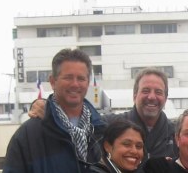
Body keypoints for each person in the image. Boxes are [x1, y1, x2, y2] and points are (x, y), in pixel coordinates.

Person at [28, 67, 176, 160]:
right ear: (134, 95)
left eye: (158, 92)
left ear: (165, 97)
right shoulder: (110, 125)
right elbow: (75, 119)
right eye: (145, 91)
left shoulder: (177, 133)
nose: (151, 97)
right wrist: (46, 107)